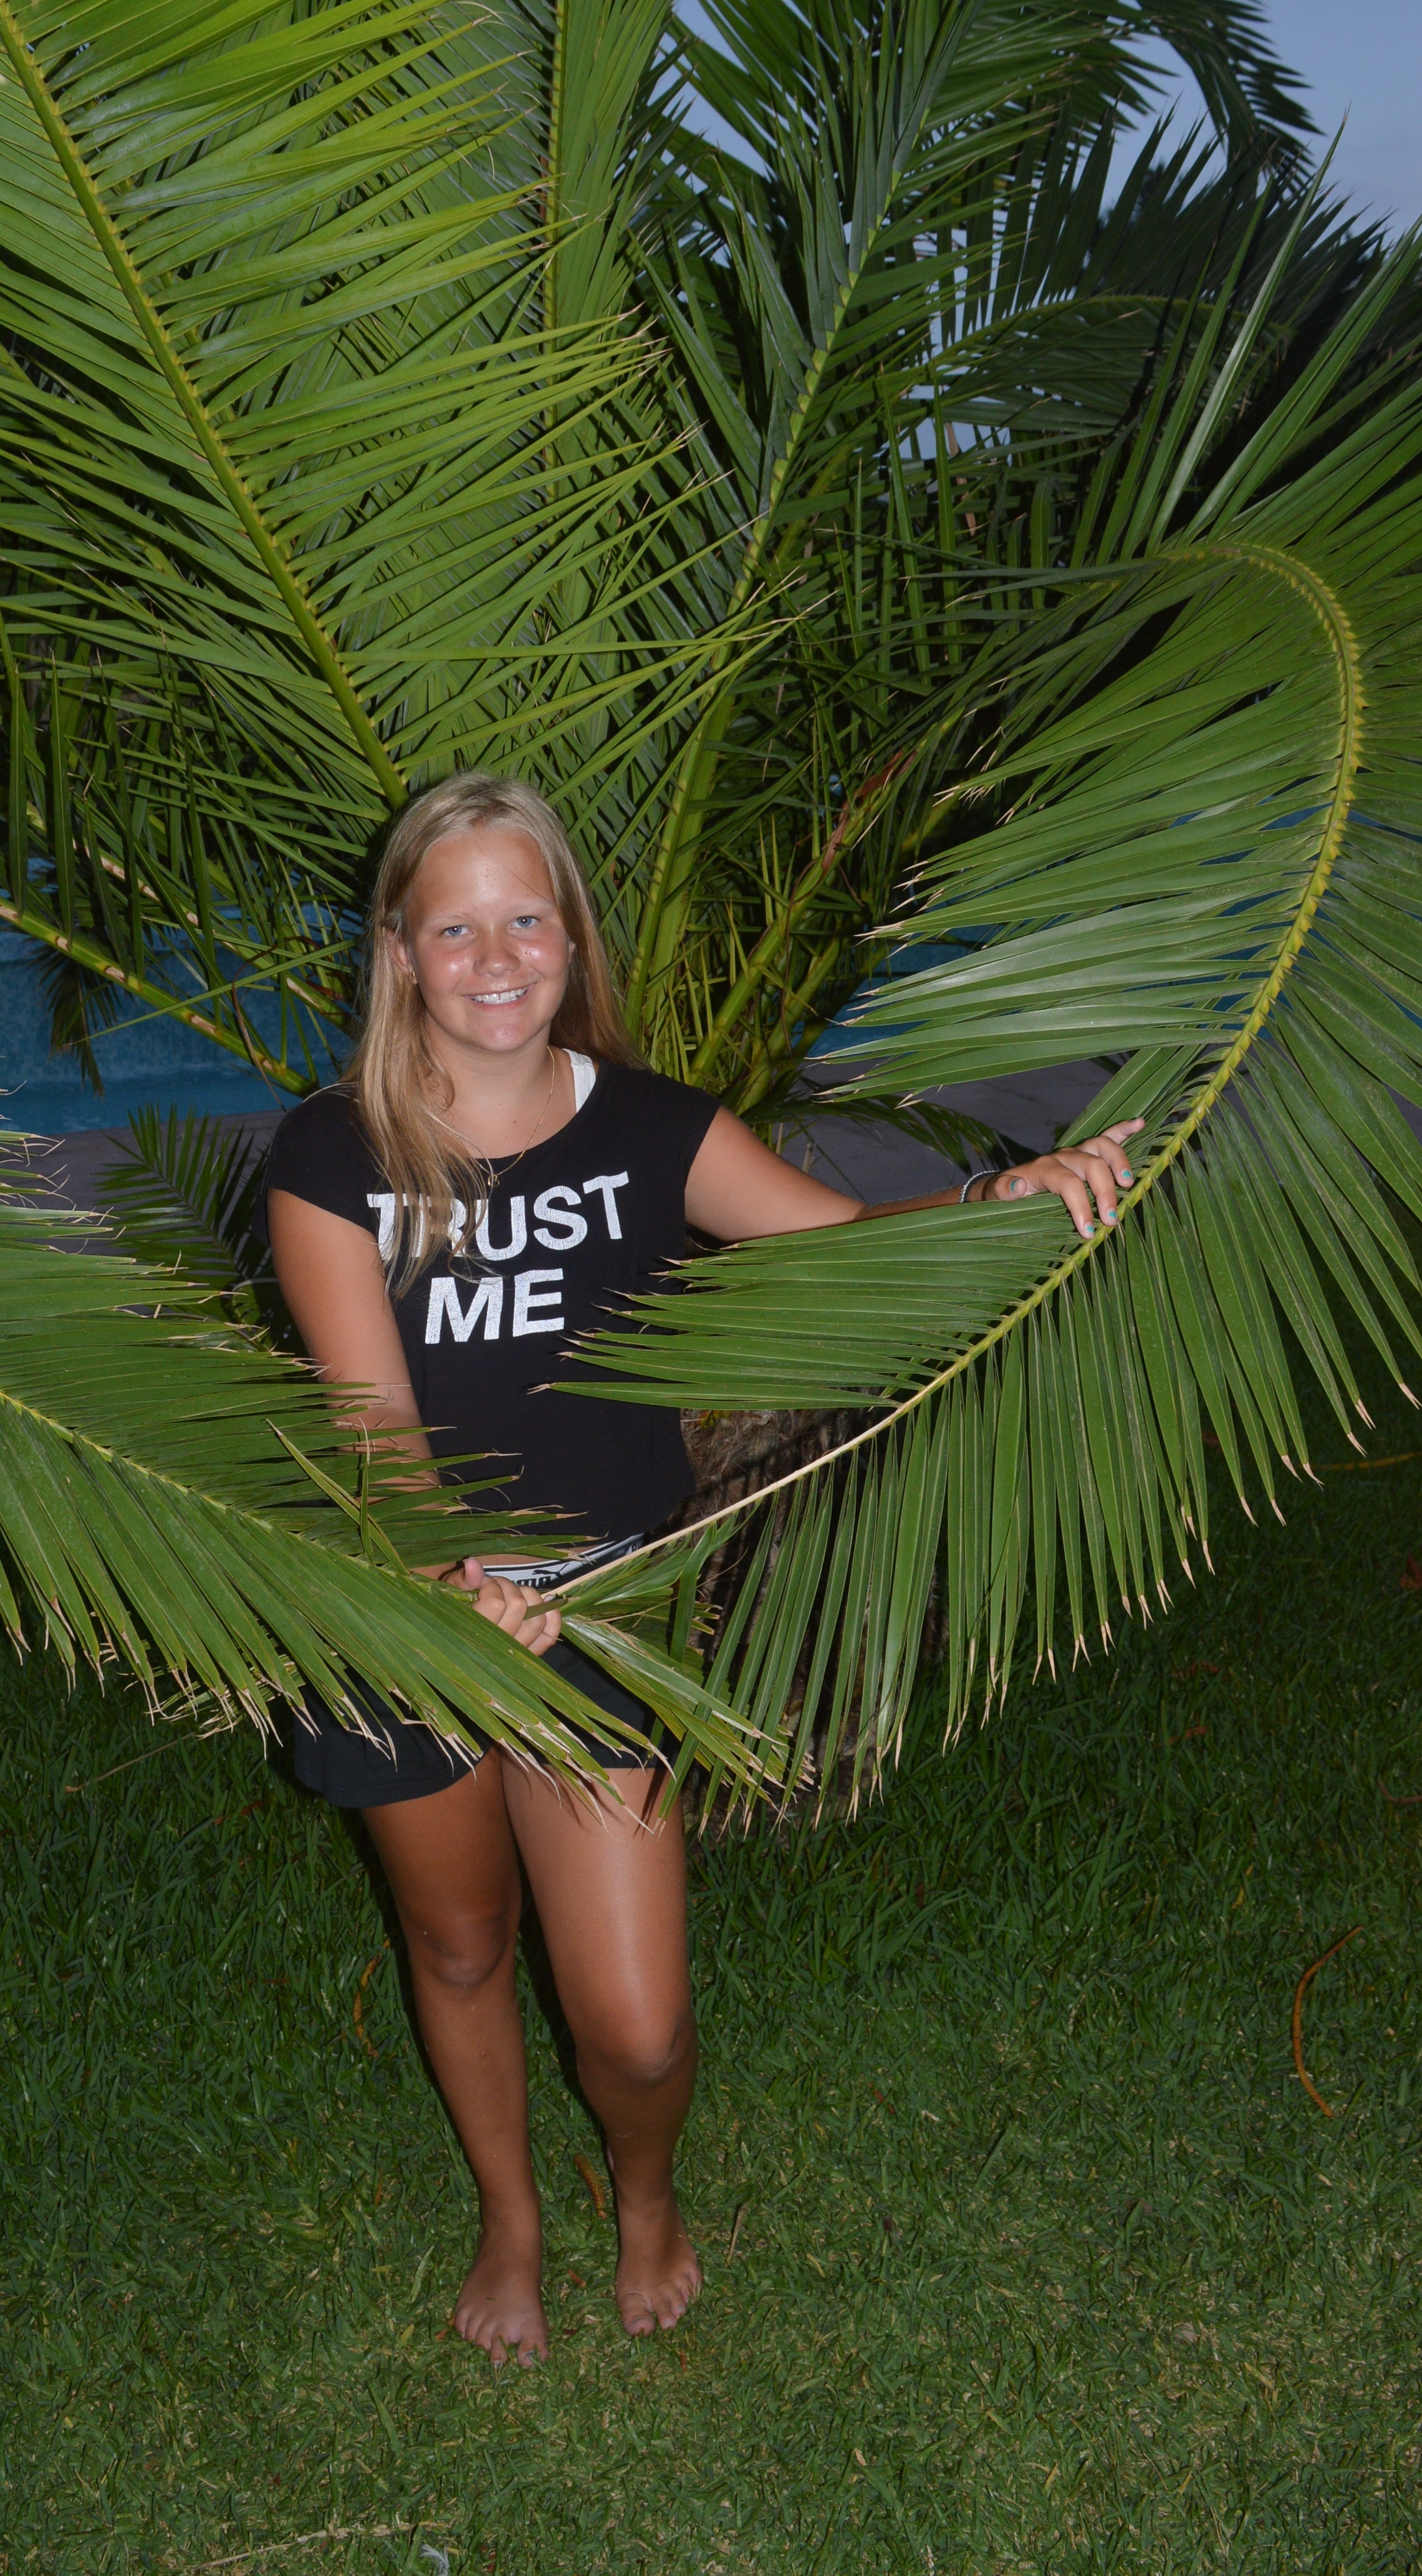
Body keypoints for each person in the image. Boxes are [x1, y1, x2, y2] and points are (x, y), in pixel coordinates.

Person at [262, 773, 1140, 2369]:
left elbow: (843, 1242)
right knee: (458, 1945)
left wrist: (989, 1198)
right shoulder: (335, 1158)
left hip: (603, 1608)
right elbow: (371, 1432)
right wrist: (449, 1584)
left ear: (571, 935)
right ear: (399, 954)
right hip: (406, 1608)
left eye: (527, 918)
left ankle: (645, 2193)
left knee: (642, 2026)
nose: (497, 958)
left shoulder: (656, 1129)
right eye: (455, 929)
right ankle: (512, 2219)